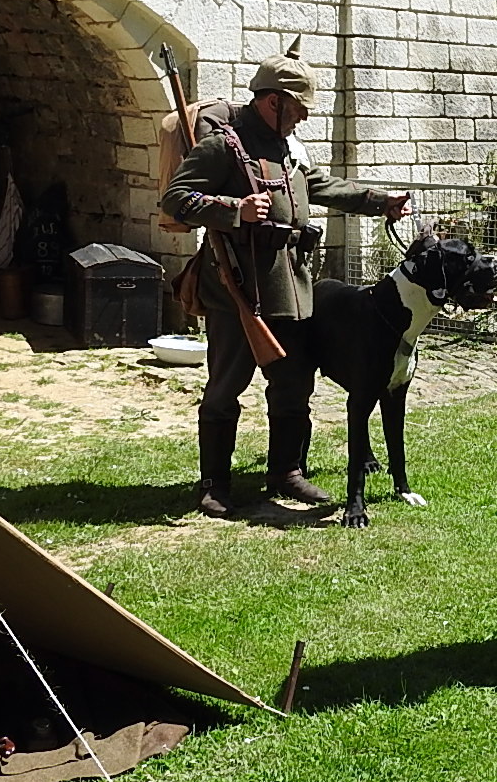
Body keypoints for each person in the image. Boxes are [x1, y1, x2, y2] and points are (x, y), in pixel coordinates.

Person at [161, 37, 410, 517]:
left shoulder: (286, 147)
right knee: (225, 386)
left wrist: (380, 201)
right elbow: (176, 200)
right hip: (238, 290)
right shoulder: (223, 148)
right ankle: (214, 483)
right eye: (298, 106)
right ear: (273, 101)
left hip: (290, 288)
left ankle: (287, 472)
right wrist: (235, 209)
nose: (305, 116)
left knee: (295, 385)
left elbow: (320, 186)